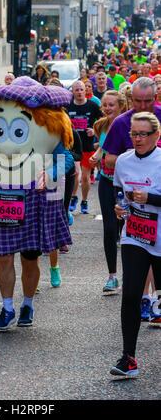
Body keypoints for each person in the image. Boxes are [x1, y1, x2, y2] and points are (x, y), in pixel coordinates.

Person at [0, 76, 73, 330]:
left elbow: (65, 158)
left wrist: (51, 174)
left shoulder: (47, 122)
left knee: (30, 259)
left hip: (35, 197)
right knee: (3, 257)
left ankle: (27, 304)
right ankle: (7, 308)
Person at [103, 77, 161, 319]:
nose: (143, 106)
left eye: (148, 101)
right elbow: (108, 159)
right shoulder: (121, 123)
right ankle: (147, 299)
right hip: (135, 201)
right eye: (138, 101)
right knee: (141, 244)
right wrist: (132, 157)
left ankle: (153, 298)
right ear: (131, 100)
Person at [110, 112, 161, 377]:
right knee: (130, 295)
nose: (137, 139)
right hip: (135, 234)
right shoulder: (123, 161)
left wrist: (150, 197)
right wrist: (120, 208)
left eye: (143, 134)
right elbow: (119, 193)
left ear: (156, 136)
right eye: (134, 134)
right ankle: (127, 358)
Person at [89, 91, 128, 293]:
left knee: (125, 228)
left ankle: (132, 274)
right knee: (109, 227)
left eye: (111, 105)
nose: (107, 108)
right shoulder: (102, 125)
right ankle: (112, 276)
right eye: (105, 104)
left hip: (124, 185)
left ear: (122, 105)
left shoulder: (127, 125)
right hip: (106, 180)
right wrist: (96, 156)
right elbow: (103, 148)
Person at [67, 81, 103, 214]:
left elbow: (102, 122)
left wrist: (94, 131)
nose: (79, 92)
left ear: (85, 91)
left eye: (81, 89)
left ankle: (84, 201)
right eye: (76, 90)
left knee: (86, 177)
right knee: (75, 173)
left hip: (87, 145)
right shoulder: (68, 106)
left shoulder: (93, 106)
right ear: (73, 92)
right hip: (73, 145)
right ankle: (73, 197)